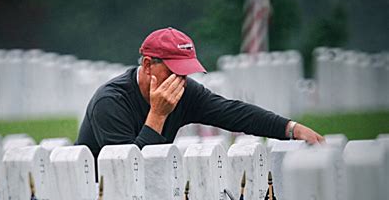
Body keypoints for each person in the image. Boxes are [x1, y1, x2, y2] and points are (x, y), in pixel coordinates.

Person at [76, 27, 324, 158]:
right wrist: (158, 115)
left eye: (185, 72)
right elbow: (129, 171)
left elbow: (234, 113)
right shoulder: (110, 103)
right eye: (174, 70)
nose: (180, 79)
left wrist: (291, 129)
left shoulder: (183, 90)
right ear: (148, 65)